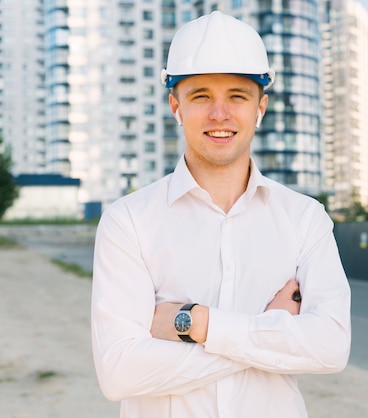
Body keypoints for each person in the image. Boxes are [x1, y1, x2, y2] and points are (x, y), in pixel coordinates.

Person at [91, 11, 351, 418]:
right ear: (175, 105)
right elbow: (119, 372)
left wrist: (196, 324)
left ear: (260, 107)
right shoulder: (128, 220)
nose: (219, 114)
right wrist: (270, 332)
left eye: (237, 96)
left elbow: (332, 347)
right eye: (200, 96)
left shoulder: (305, 218)